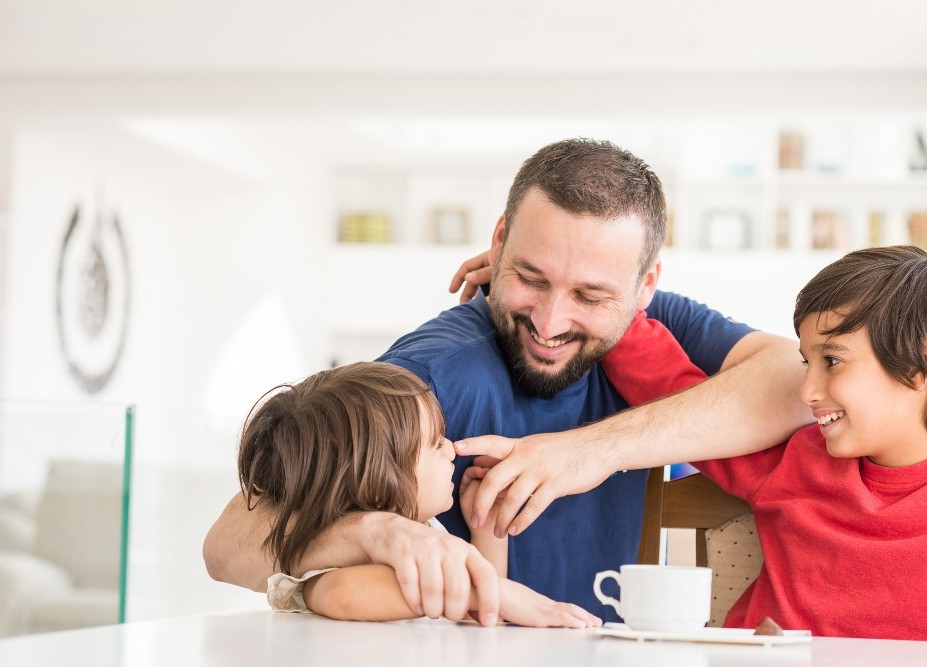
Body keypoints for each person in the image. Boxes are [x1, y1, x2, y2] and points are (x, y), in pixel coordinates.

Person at [204, 138, 811, 622]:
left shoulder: (653, 324)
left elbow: (795, 382)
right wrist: (374, 529)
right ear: (498, 242)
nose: (550, 321)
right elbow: (228, 547)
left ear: (644, 285)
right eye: (531, 276)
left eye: (590, 294)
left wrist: (587, 452)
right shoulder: (434, 373)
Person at [599, 246, 927, 642]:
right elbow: (674, 393)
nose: (806, 392)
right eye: (808, 363)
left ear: (915, 367)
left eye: (832, 361)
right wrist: (605, 302)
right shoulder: (798, 459)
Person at [240, 361, 600, 628]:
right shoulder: (341, 556)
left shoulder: (425, 533)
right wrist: (501, 595)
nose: (451, 449)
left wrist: (486, 530)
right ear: (378, 481)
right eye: (435, 443)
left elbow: (482, 615)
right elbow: (340, 594)